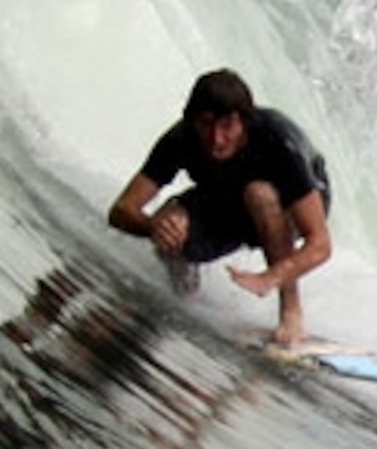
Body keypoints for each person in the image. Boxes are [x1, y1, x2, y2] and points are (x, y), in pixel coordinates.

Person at [107, 68, 333, 348]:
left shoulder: (277, 140)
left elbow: (320, 244)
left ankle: (291, 314)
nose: (217, 139)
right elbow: (122, 209)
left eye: (228, 126)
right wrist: (155, 226)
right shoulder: (182, 138)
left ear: (245, 123)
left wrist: (270, 277)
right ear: (193, 120)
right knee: (172, 218)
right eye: (206, 125)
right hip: (230, 200)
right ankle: (186, 298)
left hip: (299, 201)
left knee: (259, 194)